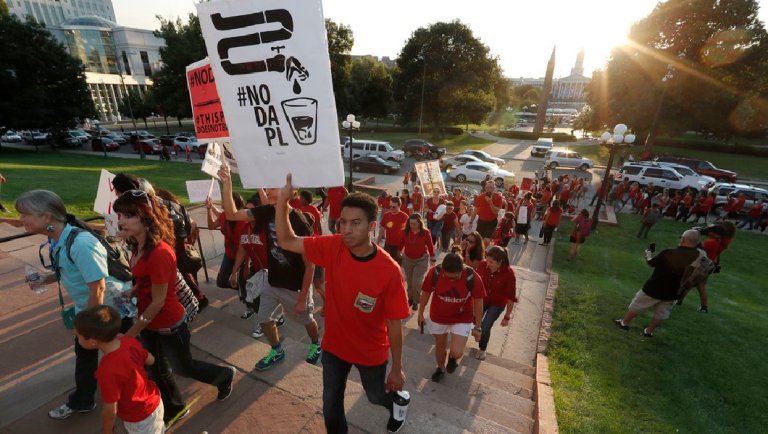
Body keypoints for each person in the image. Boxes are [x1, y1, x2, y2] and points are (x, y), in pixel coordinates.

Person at [273, 174, 410, 434]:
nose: (346, 229)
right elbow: (287, 241)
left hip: (370, 351)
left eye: (355, 223)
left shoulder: (389, 271)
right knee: (330, 404)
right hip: (334, 346)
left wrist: (397, 368)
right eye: (343, 222)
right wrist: (282, 202)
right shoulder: (333, 245)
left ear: (372, 226)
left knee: (375, 396)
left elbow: (395, 323)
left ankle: (397, 404)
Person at [114, 189, 236, 427]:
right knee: (157, 369)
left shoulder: (159, 253)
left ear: (146, 217)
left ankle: (224, 375)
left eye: (128, 216)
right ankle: (175, 409)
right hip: (148, 321)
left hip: (167, 324)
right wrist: (135, 289)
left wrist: (130, 334)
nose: (120, 222)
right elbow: (146, 278)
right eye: (119, 215)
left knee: (183, 367)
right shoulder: (137, 244)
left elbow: (159, 301)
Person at [14, 190, 135, 421]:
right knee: (89, 354)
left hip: (111, 309)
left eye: (25, 214)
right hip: (93, 309)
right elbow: (70, 269)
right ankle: (84, 400)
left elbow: (98, 288)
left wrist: (88, 329)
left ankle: (149, 398)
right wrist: (46, 279)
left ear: (47, 216)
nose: (21, 219)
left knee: (126, 353)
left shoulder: (81, 243)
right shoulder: (59, 238)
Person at [217, 165, 320, 370]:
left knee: (307, 320)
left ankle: (316, 344)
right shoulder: (267, 211)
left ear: (291, 192)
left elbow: (310, 265)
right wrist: (227, 183)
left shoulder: (299, 221)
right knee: (264, 318)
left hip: (294, 286)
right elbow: (232, 214)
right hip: (272, 281)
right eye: (269, 186)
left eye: (274, 187)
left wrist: (302, 298)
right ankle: (277, 350)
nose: (269, 190)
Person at [74, 305, 164, 434]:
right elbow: (151, 360)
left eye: (79, 336)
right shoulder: (129, 341)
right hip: (154, 400)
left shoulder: (106, 370)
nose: (78, 340)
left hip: (139, 418)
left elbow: (110, 409)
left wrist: (107, 431)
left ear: (93, 342)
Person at [614, 230, 701, 337]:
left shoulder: (668, 252)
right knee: (662, 313)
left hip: (655, 287)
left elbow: (651, 263)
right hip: (674, 291)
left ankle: (624, 323)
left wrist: (648, 254)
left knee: (637, 305)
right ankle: (648, 332)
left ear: (683, 239)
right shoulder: (698, 256)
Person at [417, 251, 485, 382]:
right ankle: (440, 368)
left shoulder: (472, 277)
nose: (451, 280)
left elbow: (479, 302)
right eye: (448, 277)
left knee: (457, 351)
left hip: (462, 317)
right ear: (443, 269)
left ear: (462, 269)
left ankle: (453, 358)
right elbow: (425, 292)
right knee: (440, 345)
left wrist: (478, 327)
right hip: (438, 316)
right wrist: (420, 314)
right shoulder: (435, 273)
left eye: (455, 277)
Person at [475, 246, 517, 360]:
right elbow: (474, 282)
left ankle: (482, 349)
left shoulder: (509, 274)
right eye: (487, 260)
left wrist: (507, 317)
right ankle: (479, 333)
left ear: (500, 262)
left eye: (491, 262)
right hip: (482, 300)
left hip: (497, 304)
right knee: (476, 321)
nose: (487, 264)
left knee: (486, 325)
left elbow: (511, 297)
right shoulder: (483, 265)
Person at [206, 192, 247, 291]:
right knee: (221, 282)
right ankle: (242, 289)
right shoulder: (224, 215)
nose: (222, 202)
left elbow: (242, 249)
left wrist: (234, 272)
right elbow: (211, 226)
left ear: (232, 203)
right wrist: (209, 209)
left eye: (224, 200)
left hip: (243, 257)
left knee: (242, 281)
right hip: (229, 254)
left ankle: (245, 290)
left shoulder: (244, 220)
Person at [400, 213, 436, 310]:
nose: (412, 226)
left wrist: (433, 258)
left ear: (420, 223)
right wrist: (398, 255)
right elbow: (401, 244)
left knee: (416, 282)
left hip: (421, 260)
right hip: (408, 259)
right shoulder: (405, 232)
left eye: (414, 224)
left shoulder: (425, 232)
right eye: (410, 223)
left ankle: (416, 300)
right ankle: (411, 298)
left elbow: (430, 246)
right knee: (410, 282)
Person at [377, 196, 409, 263]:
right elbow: (382, 229)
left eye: (393, 207)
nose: (391, 208)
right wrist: (378, 241)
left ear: (399, 206)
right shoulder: (386, 215)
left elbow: (406, 234)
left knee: (398, 265)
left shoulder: (404, 217)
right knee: (386, 264)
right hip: (388, 244)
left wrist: (404, 248)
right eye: (390, 206)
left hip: (399, 246)